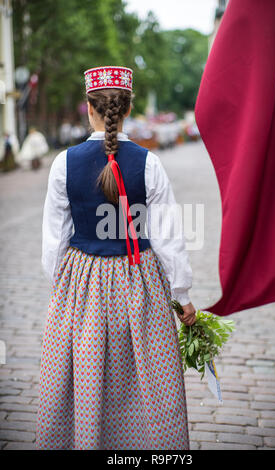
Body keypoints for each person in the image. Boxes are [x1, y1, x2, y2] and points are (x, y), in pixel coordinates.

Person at [36, 66, 196, 450]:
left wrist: (62, 287)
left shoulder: (65, 163)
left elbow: (54, 239)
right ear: (127, 109)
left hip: (83, 282)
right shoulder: (149, 163)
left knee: (87, 369)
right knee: (144, 373)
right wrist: (183, 294)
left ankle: (87, 438)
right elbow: (168, 236)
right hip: (137, 278)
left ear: (88, 108)